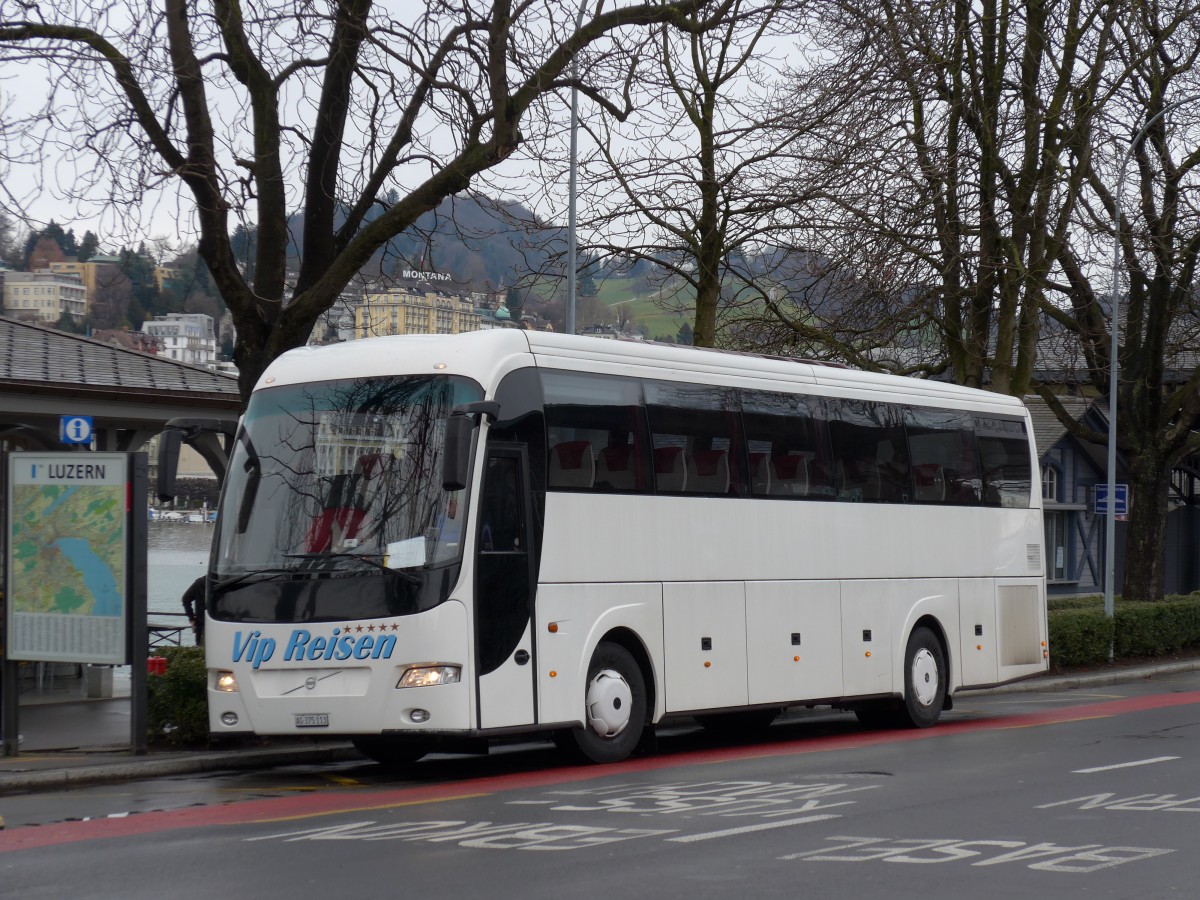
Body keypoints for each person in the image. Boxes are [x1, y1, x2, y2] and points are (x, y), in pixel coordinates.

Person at [182, 575, 206, 646]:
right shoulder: (230, 582)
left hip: (202, 624)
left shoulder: (201, 582)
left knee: (202, 653)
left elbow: (186, 599)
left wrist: (192, 618)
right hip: (226, 623)